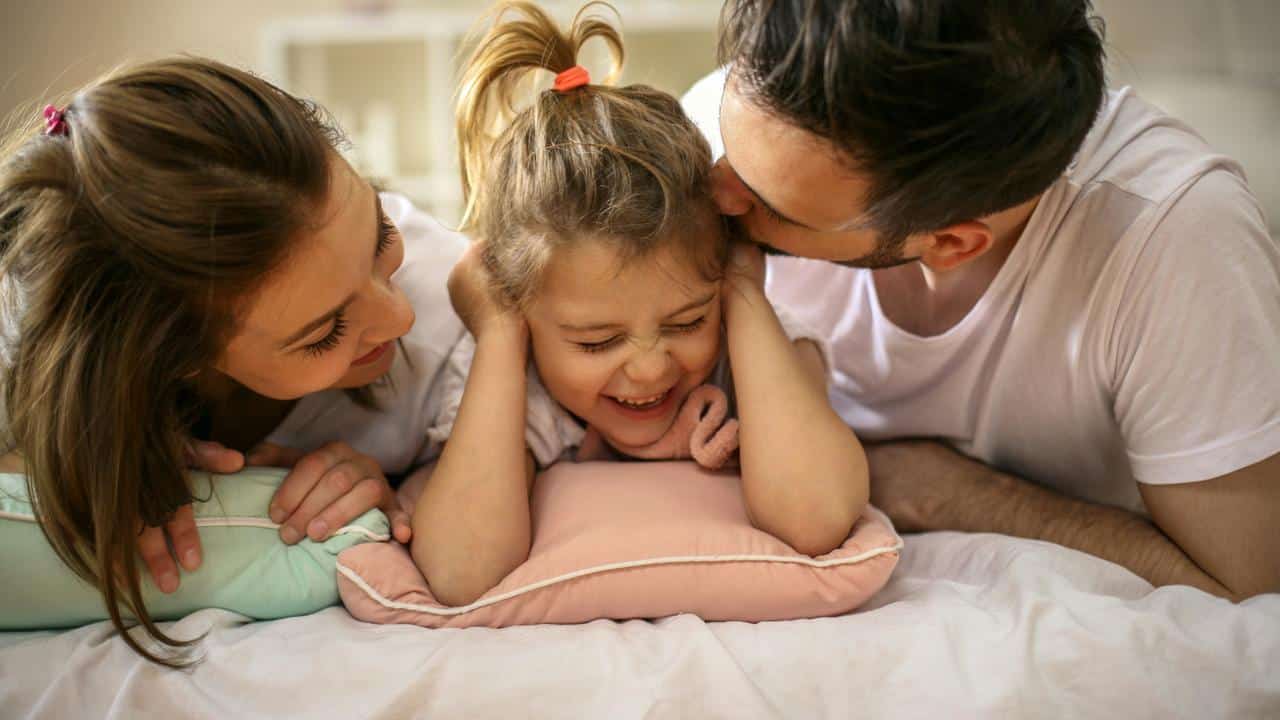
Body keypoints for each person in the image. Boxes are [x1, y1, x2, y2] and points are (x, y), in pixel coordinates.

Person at [681, 0, 1280, 600]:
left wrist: (938, 488)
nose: (713, 195)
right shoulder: (745, 119)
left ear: (950, 243)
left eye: (771, 207)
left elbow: (1248, 587)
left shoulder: (1172, 240)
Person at [0, 57, 469, 662]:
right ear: (175, 359)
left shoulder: (451, 310)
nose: (398, 317)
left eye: (380, 236)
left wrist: (401, 494)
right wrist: (103, 457)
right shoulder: (39, 340)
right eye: (324, 331)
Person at [410, 1, 869, 607]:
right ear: (522, 311)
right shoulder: (517, 382)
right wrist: (496, 331)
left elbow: (818, 519)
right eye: (597, 341)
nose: (651, 368)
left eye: (687, 322)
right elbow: (460, 573)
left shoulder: (758, 346)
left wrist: (742, 291)